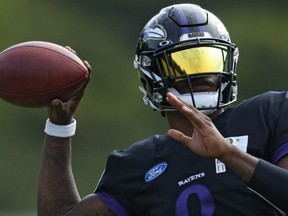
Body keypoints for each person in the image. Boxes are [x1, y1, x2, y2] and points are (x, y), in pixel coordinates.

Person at [37, 3, 288, 216]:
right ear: (154, 73)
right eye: (183, 64)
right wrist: (59, 128)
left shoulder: (269, 113)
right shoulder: (138, 163)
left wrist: (228, 154)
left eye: (209, 58)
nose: (203, 73)